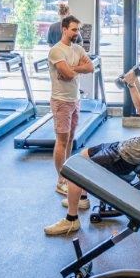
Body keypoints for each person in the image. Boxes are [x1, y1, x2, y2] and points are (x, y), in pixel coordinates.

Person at [45, 65, 140, 236]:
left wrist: (131, 86)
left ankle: (71, 220)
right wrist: (135, 80)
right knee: (83, 154)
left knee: (75, 172)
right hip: (120, 148)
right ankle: (81, 200)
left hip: (121, 159)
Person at [47, 15, 95, 207]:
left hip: (75, 100)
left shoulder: (78, 48)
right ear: (64, 29)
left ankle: (67, 175)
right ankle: (60, 180)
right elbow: (65, 74)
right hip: (60, 101)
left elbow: (89, 67)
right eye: (74, 30)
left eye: (78, 30)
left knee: (70, 139)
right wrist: (75, 69)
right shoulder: (56, 51)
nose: (76, 33)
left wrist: (72, 68)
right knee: (61, 140)